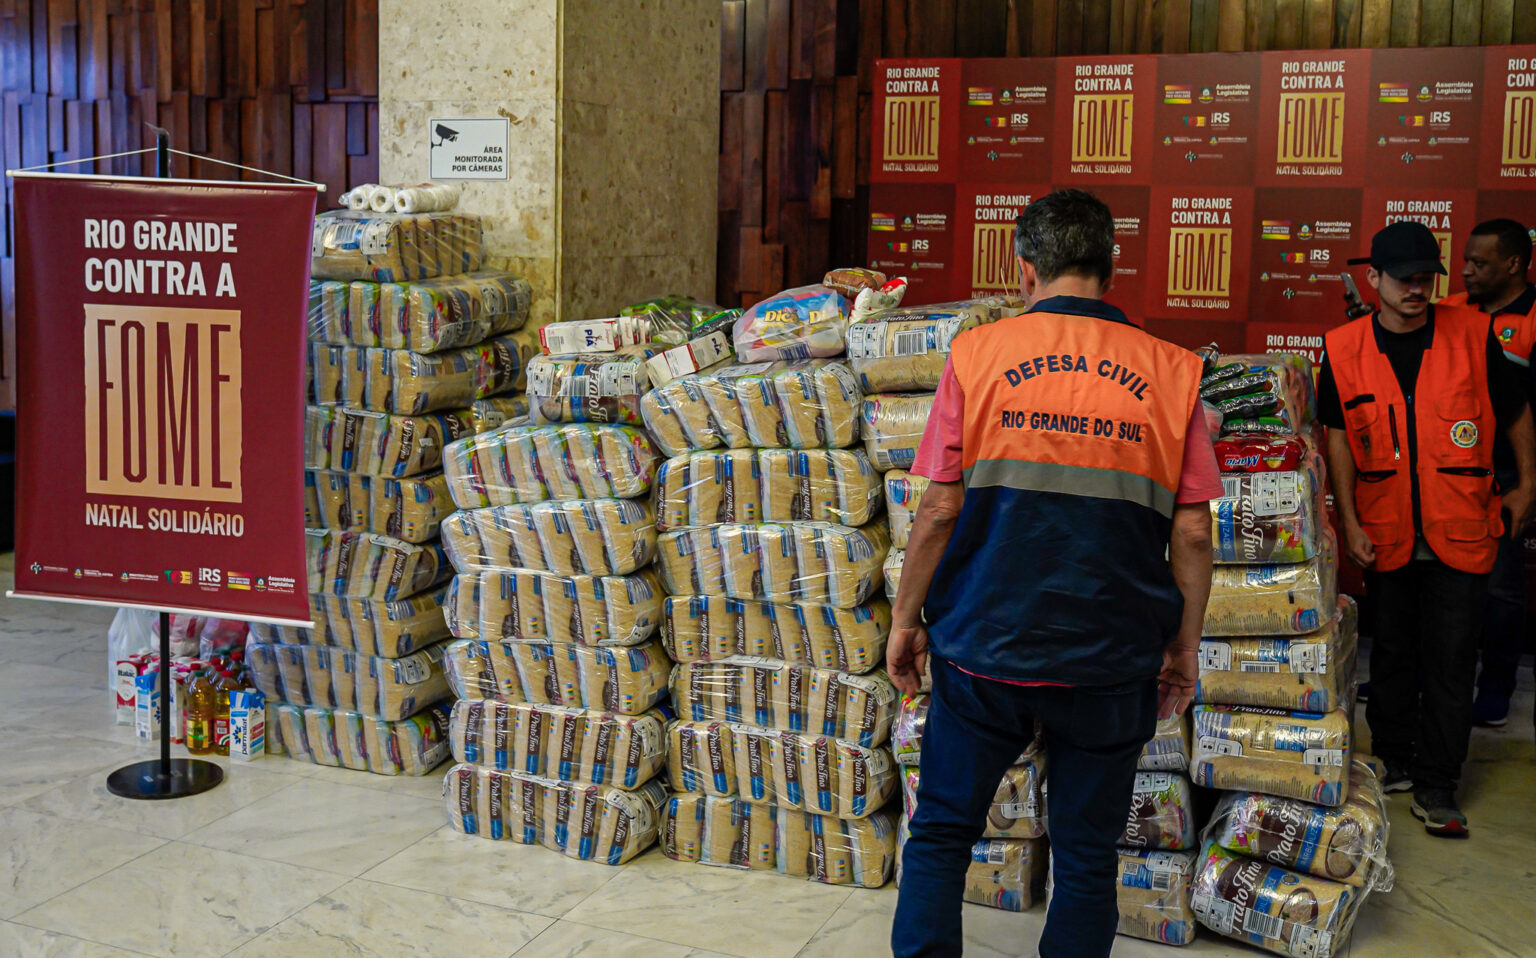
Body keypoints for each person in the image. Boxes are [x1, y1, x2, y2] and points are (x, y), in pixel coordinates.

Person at [888, 189, 1221, 958]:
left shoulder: (977, 354)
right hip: (1111, 657)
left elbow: (939, 510)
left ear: (1025, 267)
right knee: (1085, 856)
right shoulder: (1174, 371)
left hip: (984, 647)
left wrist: (907, 620)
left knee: (940, 832)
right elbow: (1194, 531)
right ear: (1109, 268)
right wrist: (1182, 648)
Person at [1320, 220, 1536, 838]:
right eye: (1405, 279)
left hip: (1462, 527)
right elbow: (1336, 435)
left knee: (1449, 660)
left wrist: (1528, 485)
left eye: (1427, 279)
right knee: (1389, 656)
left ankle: (1439, 784)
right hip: (1385, 528)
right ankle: (1392, 762)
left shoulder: (1474, 334)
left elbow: (1517, 412)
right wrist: (1350, 519)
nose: (1419, 289)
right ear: (1374, 279)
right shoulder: (1343, 347)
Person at [1443, 219, 1535, 729]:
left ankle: (1496, 687)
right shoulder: (1453, 309)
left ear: (1514, 265)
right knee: (1435, 579)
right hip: (1451, 469)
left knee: (1500, 588)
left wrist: (1528, 484)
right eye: (1466, 261)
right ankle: (1414, 675)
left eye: (1479, 263)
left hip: (1507, 470)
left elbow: (1526, 413)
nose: (1467, 271)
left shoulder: (1534, 317)